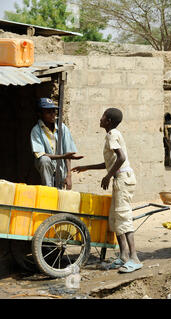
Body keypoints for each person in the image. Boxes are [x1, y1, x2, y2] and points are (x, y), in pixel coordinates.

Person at [72, 108, 141, 273]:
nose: (100, 118)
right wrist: (86, 167)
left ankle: (135, 258)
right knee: (115, 219)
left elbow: (122, 158)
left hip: (122, 180)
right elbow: (111, 162)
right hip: (121, 178)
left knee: (123, 217)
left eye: (102, 116)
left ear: (108, 120)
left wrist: (108, 176)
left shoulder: (112, 135)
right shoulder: (113, 134)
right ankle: (124, 256)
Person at [30, 98, 83, 189]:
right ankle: (48, 189)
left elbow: (68, 153)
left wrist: (69, 176)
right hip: (46, 167)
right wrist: (63, 156)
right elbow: (41, 155)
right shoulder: (36, 130)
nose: (52, 115)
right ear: (40, 114)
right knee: (44, 160)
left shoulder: (62, 128)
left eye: (54, 111)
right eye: (48, 112)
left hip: (60, 167)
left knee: (59, 191)